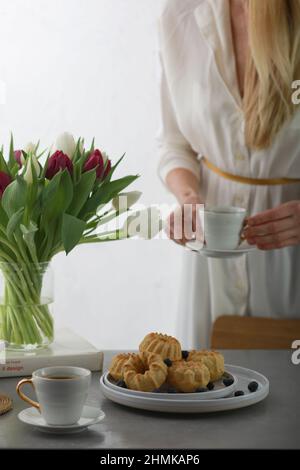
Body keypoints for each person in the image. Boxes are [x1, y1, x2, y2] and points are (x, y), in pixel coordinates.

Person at [157, 0, 300, 348]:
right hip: (209, 268)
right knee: (206, 387)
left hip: (292, 262)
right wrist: (189, 198)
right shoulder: (179, 15)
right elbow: (174, 143)